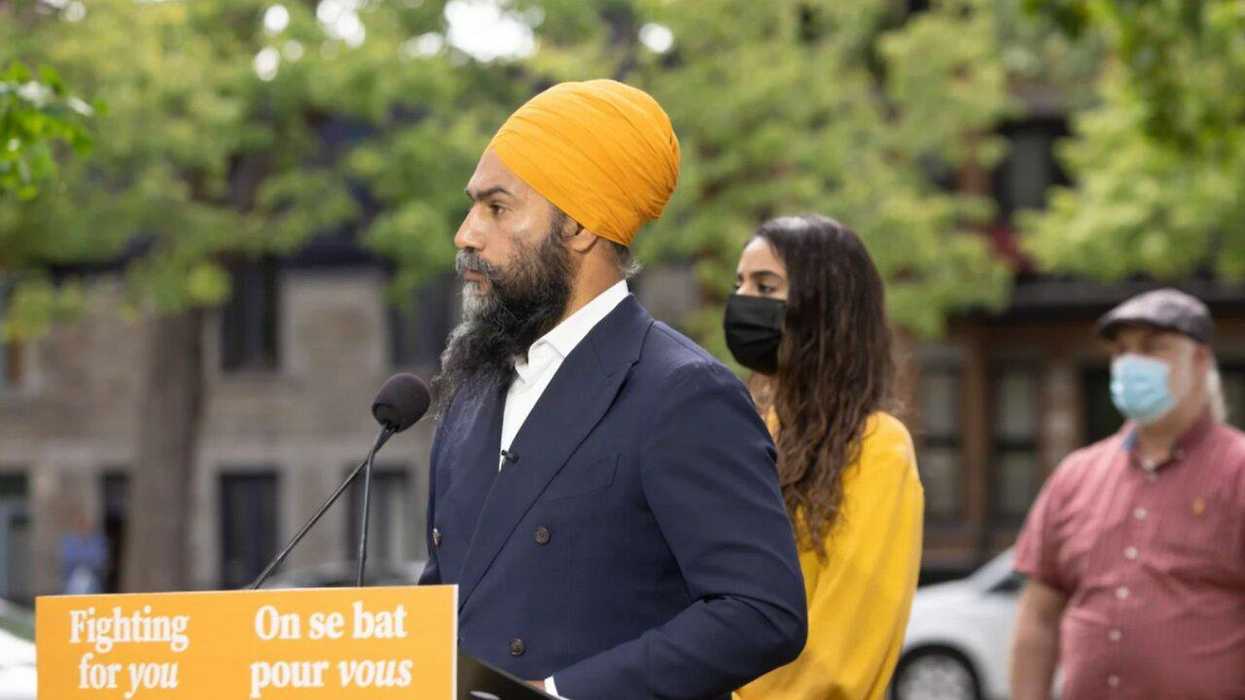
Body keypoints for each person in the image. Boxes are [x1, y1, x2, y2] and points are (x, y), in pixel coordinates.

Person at [418, 79, 807, 700]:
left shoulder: (683, 394)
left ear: (578, 226)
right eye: (472, 207)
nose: (466, 234)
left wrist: (562, 693)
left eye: (496, 207)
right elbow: (448, 597)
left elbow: (762, 611)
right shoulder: (469, 398)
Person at [1010, 288, 1245, 700]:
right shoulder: (1076, 475)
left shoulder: (1237, 470)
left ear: (1201, 360)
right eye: (1122, 349)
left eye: (1155, 348)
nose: (1134, 363)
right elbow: (1038, 617)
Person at [726, 215, 924, 700]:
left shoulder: (878, 448)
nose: (742, 300)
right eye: (740, 283)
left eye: (765, 285)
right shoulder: (753, 430)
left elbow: (841, 660)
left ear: (823, 308)